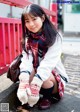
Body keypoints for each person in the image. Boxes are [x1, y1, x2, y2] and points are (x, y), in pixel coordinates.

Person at [17, 4, 68, 111]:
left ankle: (47, 97)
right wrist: (24, 78)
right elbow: (26, 59)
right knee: (27, 73)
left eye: (34, 19)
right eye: (27, 21)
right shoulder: (28, 38)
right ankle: (29, 96)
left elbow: (49, 62)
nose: (31, 24)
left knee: (45, 75)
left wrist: (37, 79)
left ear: (43, 18)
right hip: (37, 75)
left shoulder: (55, 37)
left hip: (51, 77)